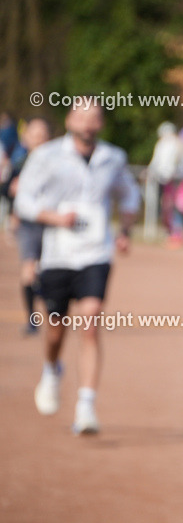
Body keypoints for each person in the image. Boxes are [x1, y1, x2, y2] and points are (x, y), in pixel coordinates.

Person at [14, 101, 140, 434]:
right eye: (80, 117)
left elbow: (129, 195)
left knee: (91, 320)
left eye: (94, 117)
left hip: (96, 252)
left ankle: (86, 406)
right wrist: (54, 217)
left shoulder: (113, 158)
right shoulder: (47, 156)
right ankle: (52, 368)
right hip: (57, 253)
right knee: (56, 328)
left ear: (100, 123)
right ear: (69, 120)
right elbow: (23, 200)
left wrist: (125, 231)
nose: (87, 123)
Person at [8, 117, 52, 334]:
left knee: (47, 270)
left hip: (51, 221)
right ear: (27, 138)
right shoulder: (20, 162)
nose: (39, 140)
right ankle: (32, 320)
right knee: (28, 269)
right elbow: (8, 188)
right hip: (27, 223)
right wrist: (12, 193)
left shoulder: (57, 162)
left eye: (43, 136)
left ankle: (49, 302)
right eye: (35, 135)